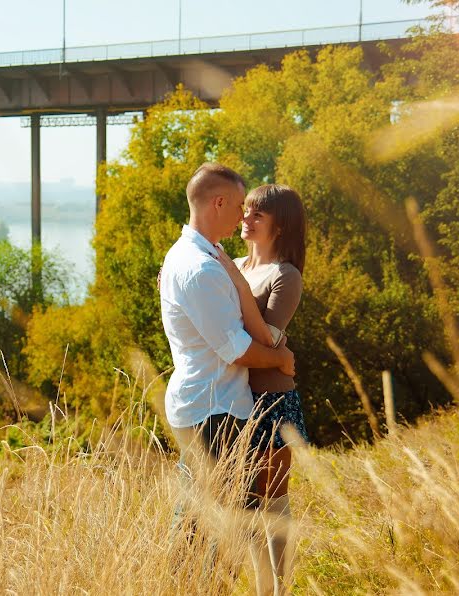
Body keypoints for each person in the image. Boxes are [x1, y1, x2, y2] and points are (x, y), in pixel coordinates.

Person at [159, 163, 295, 574]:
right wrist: (280, 359)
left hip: (208, 404)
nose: (242, 216)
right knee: (211, 533)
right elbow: (235, 349)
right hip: (213, 410)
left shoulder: (198, 257)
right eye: (238, 205)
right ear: (218, 202)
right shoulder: (201, 267)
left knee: (205, 518)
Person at [215, 183, 307, 595]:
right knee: (246, 504)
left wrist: (234, 278)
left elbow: (268, 337)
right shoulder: (234, 264)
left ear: (280, 227)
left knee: (272, 501)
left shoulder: (285, 275)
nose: (245, 219)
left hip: (271, 399)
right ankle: (261, 587)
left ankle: (281, 590)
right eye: (246, 211)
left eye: (257, 215)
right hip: (235, 396)